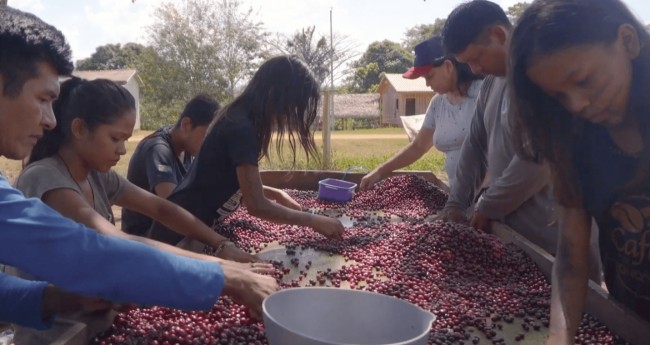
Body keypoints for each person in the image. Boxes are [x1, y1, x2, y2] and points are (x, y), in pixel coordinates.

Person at [0, 6, 277, 330]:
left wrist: (55, 300)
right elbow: (89, 248)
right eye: (42, 98)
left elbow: (162, 209)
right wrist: (222, 274)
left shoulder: (101, 177)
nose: (50, 120)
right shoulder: (45, 178)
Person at [508, 0, 650, 341]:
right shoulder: (576, 142)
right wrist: (561, 336)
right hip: (629, 321)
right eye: (559, 96)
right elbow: (571, 257)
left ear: (627, 41)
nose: (577, 105)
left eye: (583, 81)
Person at [148, 56, 345, 250]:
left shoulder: (239, 117)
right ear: (276, 95)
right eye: (292, 108)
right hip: (178, 238)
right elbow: (257, 205)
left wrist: (277, 194)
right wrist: (313, 220)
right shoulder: (241, 128)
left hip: (193, 230)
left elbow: (232, 184)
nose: (289, 117)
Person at [435, 0, 559, 255]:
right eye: (466, 63)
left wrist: (487, 205)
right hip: (510, 237)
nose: (475, 70)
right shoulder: (492, 83)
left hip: (553, 242)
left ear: (499, 35)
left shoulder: (545, 75)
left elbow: (537, 162)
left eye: (476, 58)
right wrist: (456, 203)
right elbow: (474, 142)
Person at [359, 36, 482, 192]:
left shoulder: (484, 94)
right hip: (460, 197)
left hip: (490, 199)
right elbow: (418, 146)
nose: (427, 84)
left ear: (448, 66)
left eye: (429, 76)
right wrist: (379, 172)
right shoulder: (438, 103)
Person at [123, 94, 219, 236]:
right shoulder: (158, 149)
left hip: (166, 227)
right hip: (144, 235)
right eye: (206, 137)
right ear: (186, 125)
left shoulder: (187, 148)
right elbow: (174, 207)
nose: (209, 145)